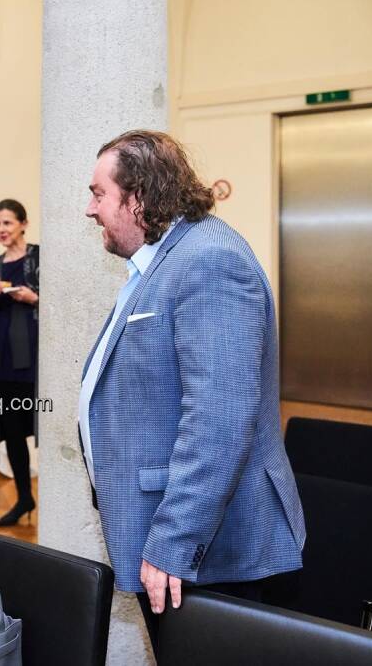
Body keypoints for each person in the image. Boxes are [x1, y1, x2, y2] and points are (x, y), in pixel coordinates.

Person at [78, 130, 305, 650]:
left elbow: (219, 421)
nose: (90, 209)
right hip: (186, 535)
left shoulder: (209, 261)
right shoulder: (165, 257)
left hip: (213, 546)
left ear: (138, 197)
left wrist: (173, 541)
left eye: (98, 193)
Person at [0, 199, 39, 527]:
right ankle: (23, 497)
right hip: (2, 365)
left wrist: (35, 298)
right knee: (14, 435)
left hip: (36, 366)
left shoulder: (41, 258)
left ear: (23, 223)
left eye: (7, 223)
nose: (2, 230)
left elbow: (63, 304)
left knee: (42, 429)